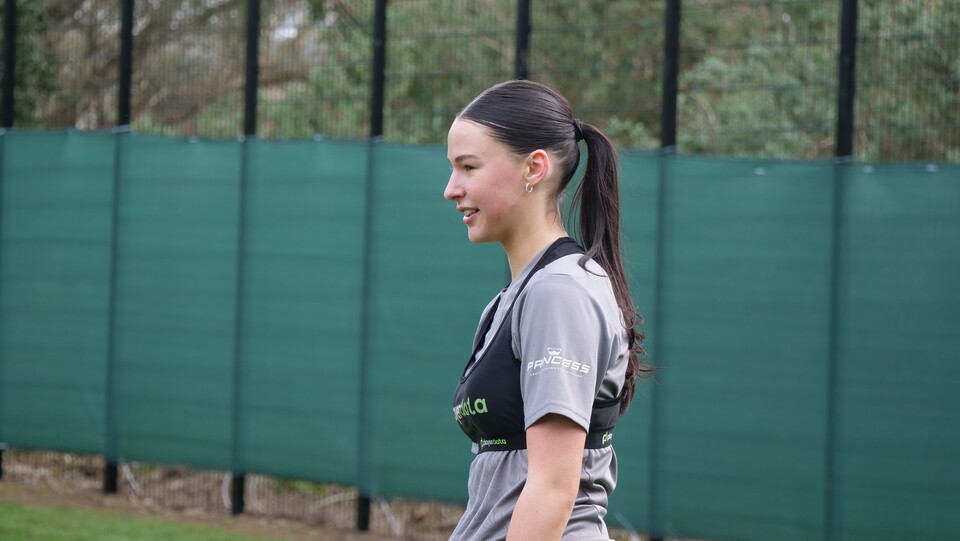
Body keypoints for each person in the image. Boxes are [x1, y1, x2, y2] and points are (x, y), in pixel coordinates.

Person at [444, 79, 651, 541]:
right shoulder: (514, 299)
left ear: (534, 168)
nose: (451, 189)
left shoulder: (560, 292)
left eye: (468, 167)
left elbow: (554, 488)